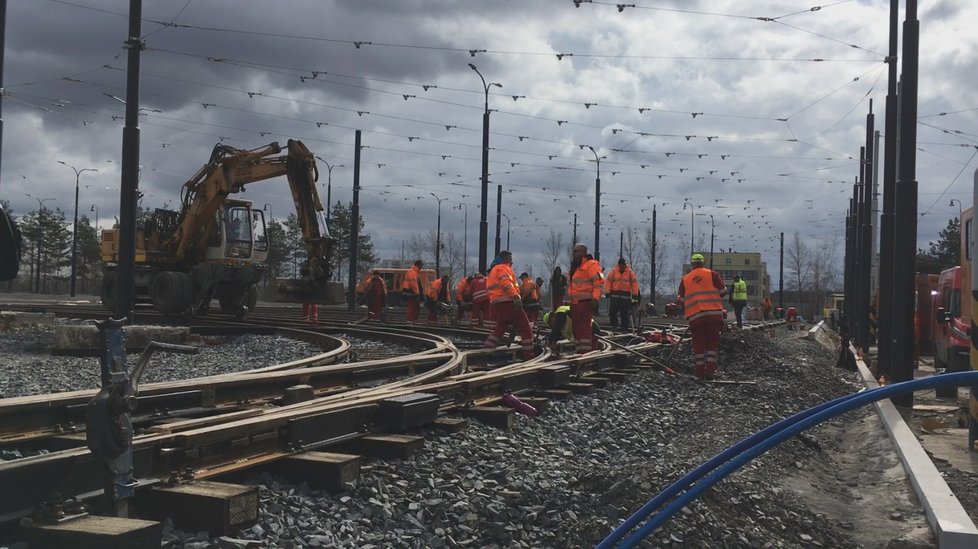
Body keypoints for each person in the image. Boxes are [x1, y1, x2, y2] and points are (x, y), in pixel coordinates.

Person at [678, 253, 727, 380]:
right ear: (703, 263)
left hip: (696, 318)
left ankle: (699, 372)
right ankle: (710, 371)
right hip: (714, 316)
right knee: (712, 343)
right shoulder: (712, 274)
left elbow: (681, 299)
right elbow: (723, 291)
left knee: (699, 344)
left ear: (692, 264)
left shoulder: (685, 279)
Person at [483, 251, 535, 359]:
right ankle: (528, 354)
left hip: (498, 304)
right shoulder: (503, 268)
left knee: (500, 328)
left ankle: (486, 349)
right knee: (526, 328)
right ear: (506, 259)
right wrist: (516, 297)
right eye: (510, 259)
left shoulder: (493, 270)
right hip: (508, 302)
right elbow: (506, 283)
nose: (512, 262)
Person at [568, 243, 603, 354]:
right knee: (576, 329)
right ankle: (580, 351)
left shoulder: (591, 265)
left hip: (585, 302)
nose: (574, 254)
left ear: (583, 252)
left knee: (584, 328)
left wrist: (595, 298)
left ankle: (585, 353)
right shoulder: (577, 267)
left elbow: (599, 282)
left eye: (576, 251)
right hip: (575, 303)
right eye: (574, 252)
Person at [605, 258, 640, 332]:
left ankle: (624, 329)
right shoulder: (613, 272)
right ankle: (614, 325)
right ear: (618, 265)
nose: (621, 267)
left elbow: (634, 284)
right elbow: (608, 282)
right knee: (612, 312)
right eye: (620, 265)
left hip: (625, 297)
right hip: (615, 296)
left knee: (624, 314)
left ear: (625, 265)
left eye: (623, 265)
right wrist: (607, 292)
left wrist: (635, 295)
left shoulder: (630, 273)